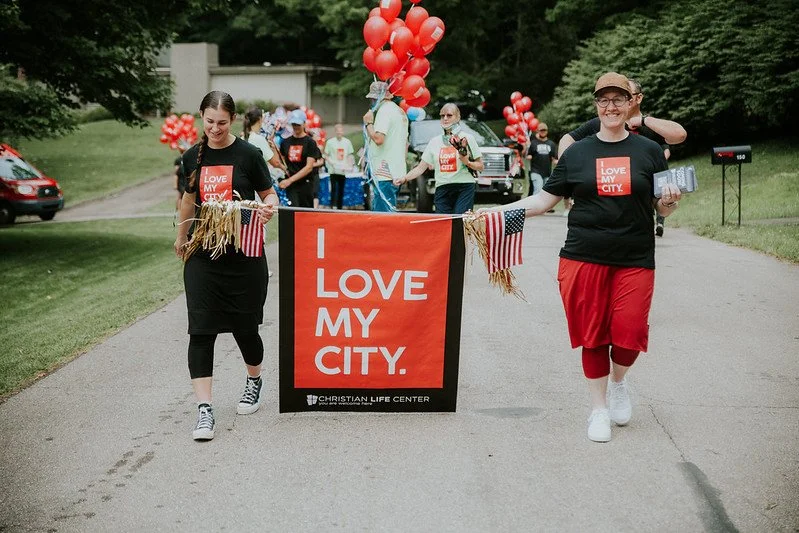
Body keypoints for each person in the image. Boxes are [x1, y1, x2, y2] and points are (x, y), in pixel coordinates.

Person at [479, 72, 682, 443]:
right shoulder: (577, 152)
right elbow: (545, 200)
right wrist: (500, 212)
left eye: (618, 99)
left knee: (630, 334)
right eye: (604, 100)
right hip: (583, 256)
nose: (611, 106)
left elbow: (662, 207)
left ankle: (619, 383)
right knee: (592, 336)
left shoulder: (649, 151)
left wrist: (668, 203)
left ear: (630, 104)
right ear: (596, 105)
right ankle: (599, 409)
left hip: (635, 258)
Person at [174, 90, 279, 441]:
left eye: (221, 122)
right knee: (201, 330)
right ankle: (205, 410)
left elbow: (268, 194)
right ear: (201, 118)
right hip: (204, 254)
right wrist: (181, 237)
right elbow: (188, 201)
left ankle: (254, 379)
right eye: (209, 122)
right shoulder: (192, 156)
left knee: (244, 328)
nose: (215, 129)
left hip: (243, 254)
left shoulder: (249, 155)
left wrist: (268, 208)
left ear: (232, 119)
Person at [558, 78, 687, 235]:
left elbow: (679, 135)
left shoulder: (649, 127)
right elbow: (567, 139)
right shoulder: (603, 123)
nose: (614, 104)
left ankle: (658, 223)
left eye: (623, 96)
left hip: (638, 218)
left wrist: (644, 121)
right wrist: (567, 171)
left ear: (636, 98)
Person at [395, 103, 484, 214]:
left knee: (459, 220)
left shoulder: (468, 138)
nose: (445, 118)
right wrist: (404, 179)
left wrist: (467, 162)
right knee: (442, 221)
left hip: (464, 186)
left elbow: (480, 166)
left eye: (449, 115)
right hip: (442, 187)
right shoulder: (434, 142)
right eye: (442, 116)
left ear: (458, 117)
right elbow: (420, 168)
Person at [363, 81, 409, 212]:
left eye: (373, 99)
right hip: (397, 171)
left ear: (378, 98)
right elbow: (405, 143)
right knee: (390, 211)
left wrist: (369, 124)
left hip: (384, 172)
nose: (372, 102)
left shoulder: (384, 111)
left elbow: (379, 138)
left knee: (382, 215)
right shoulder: (400, 111)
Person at [278, 109, 322, 208]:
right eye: (293, 124)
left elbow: (309, 167)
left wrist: (290, 180)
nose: (296, 127)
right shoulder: (285, 142)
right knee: (292, 211)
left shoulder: (310, 142)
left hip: (305, 183)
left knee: (304, 213)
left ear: (304, 124)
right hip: (291, 185)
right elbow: (281, 161)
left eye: (298, 124)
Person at [242, 107, 287, 178]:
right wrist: (274, 149)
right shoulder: (259, 139)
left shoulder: (242, 138)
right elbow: (276, 163)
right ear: (260, 119)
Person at [323, 124, 355, 210]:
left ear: (342, 131)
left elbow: (350, 155)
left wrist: (349, 165)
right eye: (337, 131)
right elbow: (325, 154)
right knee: (333, 188)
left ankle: (339, 207)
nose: (339, 133)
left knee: (341, 189)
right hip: (333, 169)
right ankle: (332, 205)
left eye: (340, 131)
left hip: (343, 169)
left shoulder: (347, 142)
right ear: (335, 131)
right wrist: (331, 162)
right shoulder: (330, 142)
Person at [526, 122, 557, 199]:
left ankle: (540, 207)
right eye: (541, 130)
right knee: (537, 191)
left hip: (547, 172)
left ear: (547, 131)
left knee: (545, 194)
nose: (543, 132)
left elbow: (554, 158)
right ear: (538, 131)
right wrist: (528, 154)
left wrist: (558, 162)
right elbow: (528, 155)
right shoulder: (533, 143)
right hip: (536, 171)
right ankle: (534, 206)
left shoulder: (551, 144)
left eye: (544, 130)